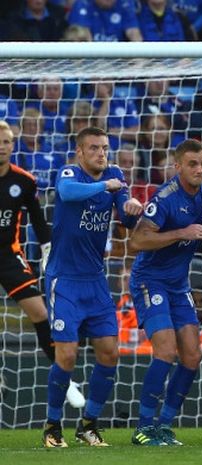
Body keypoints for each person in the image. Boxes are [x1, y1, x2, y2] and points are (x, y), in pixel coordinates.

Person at [42, 126, 143, 448]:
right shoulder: (70, 173)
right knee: (67, 356)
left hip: (96, 281)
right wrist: (105, 186)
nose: (101, 153)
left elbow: (127, 218)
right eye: (95, 148)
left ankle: (89, 424)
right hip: (65, 281)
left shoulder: (114, 174)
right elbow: (67, 193)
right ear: (81, 152)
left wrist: (130, 209)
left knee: (110, 353)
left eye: (105, 148)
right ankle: (52, 426)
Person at [128, 139, 202, 446]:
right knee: (166, 351)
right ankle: (144, 427)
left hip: (178, 284)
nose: (199, 169)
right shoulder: (166, 197)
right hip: (150, 280)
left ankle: (165, 426)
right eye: (193, 164)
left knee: (193, 355)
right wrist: (182, 233)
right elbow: (138, 240)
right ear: (178, 166)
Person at [0, 120, 85, 409]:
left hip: (8, 256)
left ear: (13, 145)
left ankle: (65, 379)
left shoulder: (24, 181)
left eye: (7, 141)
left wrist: (49, 251)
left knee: (41, 313)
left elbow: (38, 221)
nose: (2, 146)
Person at [67, 0, 143, 42]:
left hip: (118, 59)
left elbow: (134, 33)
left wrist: (139, 63)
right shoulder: (82, 4)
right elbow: (83, 36)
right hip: (92, 60)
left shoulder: (125, 4)